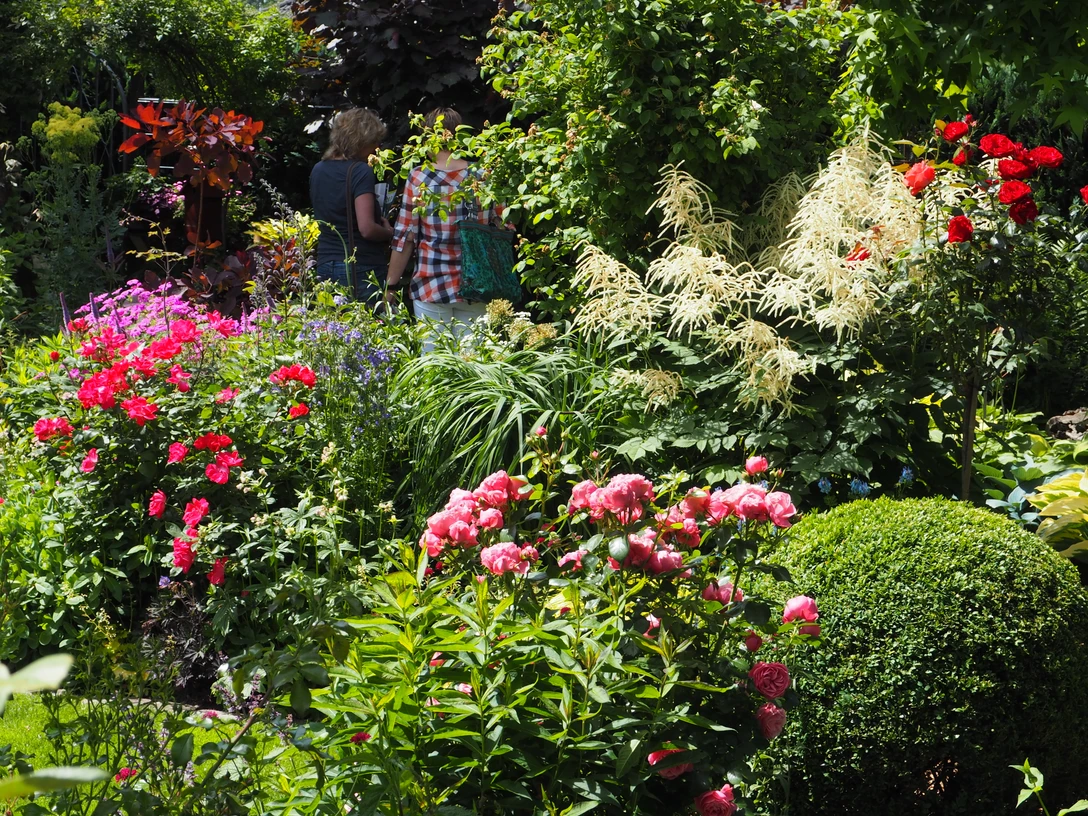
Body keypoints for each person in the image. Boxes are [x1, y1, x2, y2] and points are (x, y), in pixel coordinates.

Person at [387, 107, 499, 351]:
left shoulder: (418, 178)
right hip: (477, 284)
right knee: (475, 369)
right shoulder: (481, 176)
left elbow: (405, 237)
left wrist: (391, 286)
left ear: (428, 136)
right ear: (459, 135)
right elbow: (502, 227)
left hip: (431, 284)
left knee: (433, 368)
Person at [309, 108, 394, 303]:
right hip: (359, 266)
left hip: (325, 263)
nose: (376, 147)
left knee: (334, 329)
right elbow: (367, 229)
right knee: (371, 329)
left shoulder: (318, 169)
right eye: (374, 141)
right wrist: (390, 232)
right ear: (362, 140)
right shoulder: (360, 171)